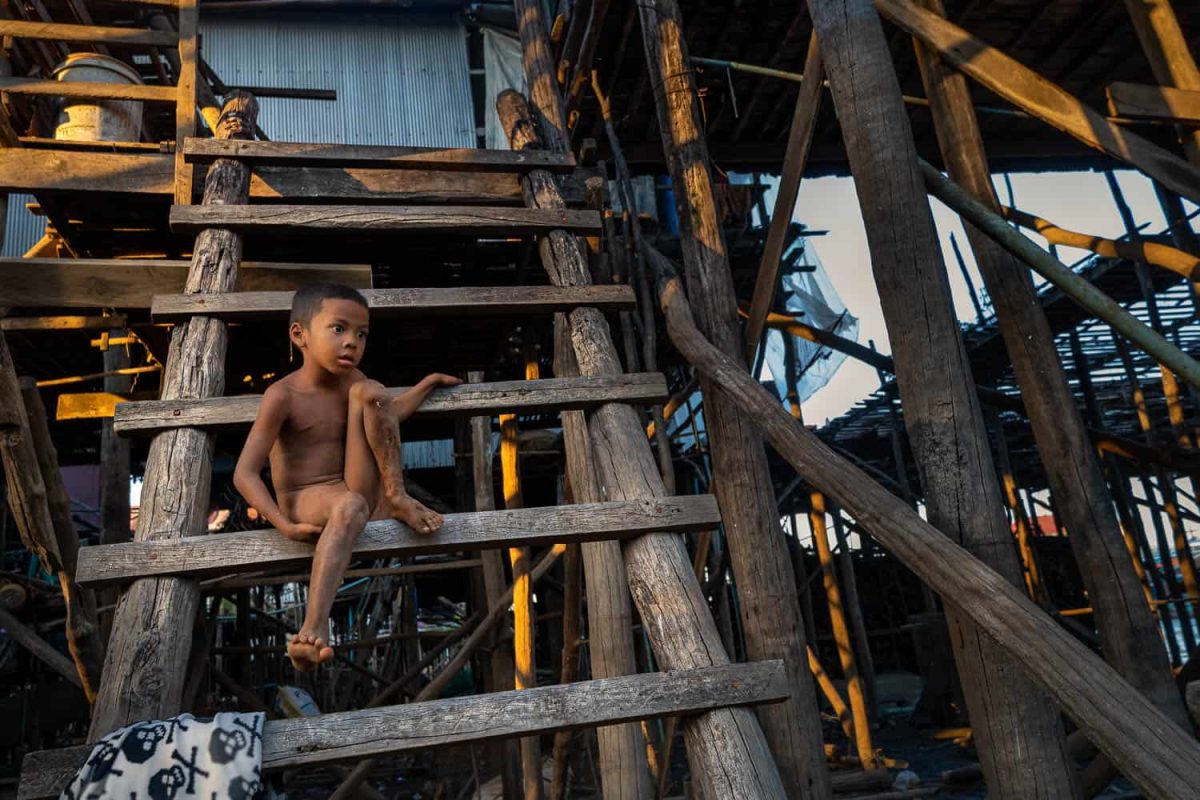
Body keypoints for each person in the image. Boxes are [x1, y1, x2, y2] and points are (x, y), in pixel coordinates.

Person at [233, 283, 461, 672]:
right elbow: (245, 474)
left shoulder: (354, 381)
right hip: (305, 496)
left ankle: (396, 495)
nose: (351, 342)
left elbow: (386, 413)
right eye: (338, 329)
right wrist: (284, 525)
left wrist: (427, 384)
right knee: (351, 502)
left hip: (352, 491)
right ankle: (313, 626)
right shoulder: (282, 395)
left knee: (371, 391)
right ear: (299, 334)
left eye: (361, 334)